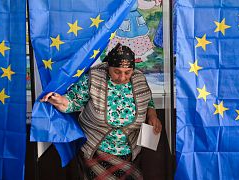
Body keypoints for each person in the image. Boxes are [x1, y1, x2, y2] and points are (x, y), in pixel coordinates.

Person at [41, 43, 162, 179]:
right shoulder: (94, 78)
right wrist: (59, 100)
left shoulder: (139, 79)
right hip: (96, 150)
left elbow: (147, 100)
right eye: (117, 71)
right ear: (108, 67)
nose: (122, 77)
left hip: (129, 151)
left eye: (128, 72)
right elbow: (72, 102)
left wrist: (153, 115)